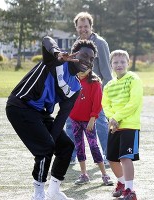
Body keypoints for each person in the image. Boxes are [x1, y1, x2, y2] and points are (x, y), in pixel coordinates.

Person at [6, 36, 97, 200]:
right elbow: (47, 40)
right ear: (74, 53)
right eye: (85, 55)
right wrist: (57, 53)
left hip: (40, 113)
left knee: (66, 147)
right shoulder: (56, 61)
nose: (88, 60)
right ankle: (38, 194)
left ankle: (53, 191)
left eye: (92, 59)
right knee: (46, 147)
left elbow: (61, 118)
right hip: (20, 106)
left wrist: (52, 139)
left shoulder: (76, 88)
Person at [66, 11, 112, 164]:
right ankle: (70, 155)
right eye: (80, 27)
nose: (83, 29)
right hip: (77, 90)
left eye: (86, 26)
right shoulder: (76, 44)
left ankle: (108, 154)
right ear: (76, 28)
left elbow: (106, 70)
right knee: (70, 122)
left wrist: (107, 93)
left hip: (95, 90)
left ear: (91, 27)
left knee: (100, 123)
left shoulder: (100, 43)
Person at [102, 50, 143, 199]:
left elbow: (134, 102)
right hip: (114, 126)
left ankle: (130, 190)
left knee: (125, 157)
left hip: (129, 126)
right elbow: (105, 104)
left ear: (128, 63)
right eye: (115, 62)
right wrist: (112, 118)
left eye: (122, 62)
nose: (119, 65)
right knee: (112, 158)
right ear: (111, 65)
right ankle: (121, 182)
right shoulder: (108, 85)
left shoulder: (133, 79)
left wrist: (117, 117)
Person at [68, 59, 113, 186]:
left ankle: (104, 175)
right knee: (79, 146)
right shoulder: (72, 80)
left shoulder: (95, 83)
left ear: (90, 69)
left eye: (84, 70)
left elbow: (97, 103)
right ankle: (84, 175)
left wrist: (92, 119)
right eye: (79, 69)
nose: (81, 73)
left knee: (94, 146)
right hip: (74, 119)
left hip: (89, 121)